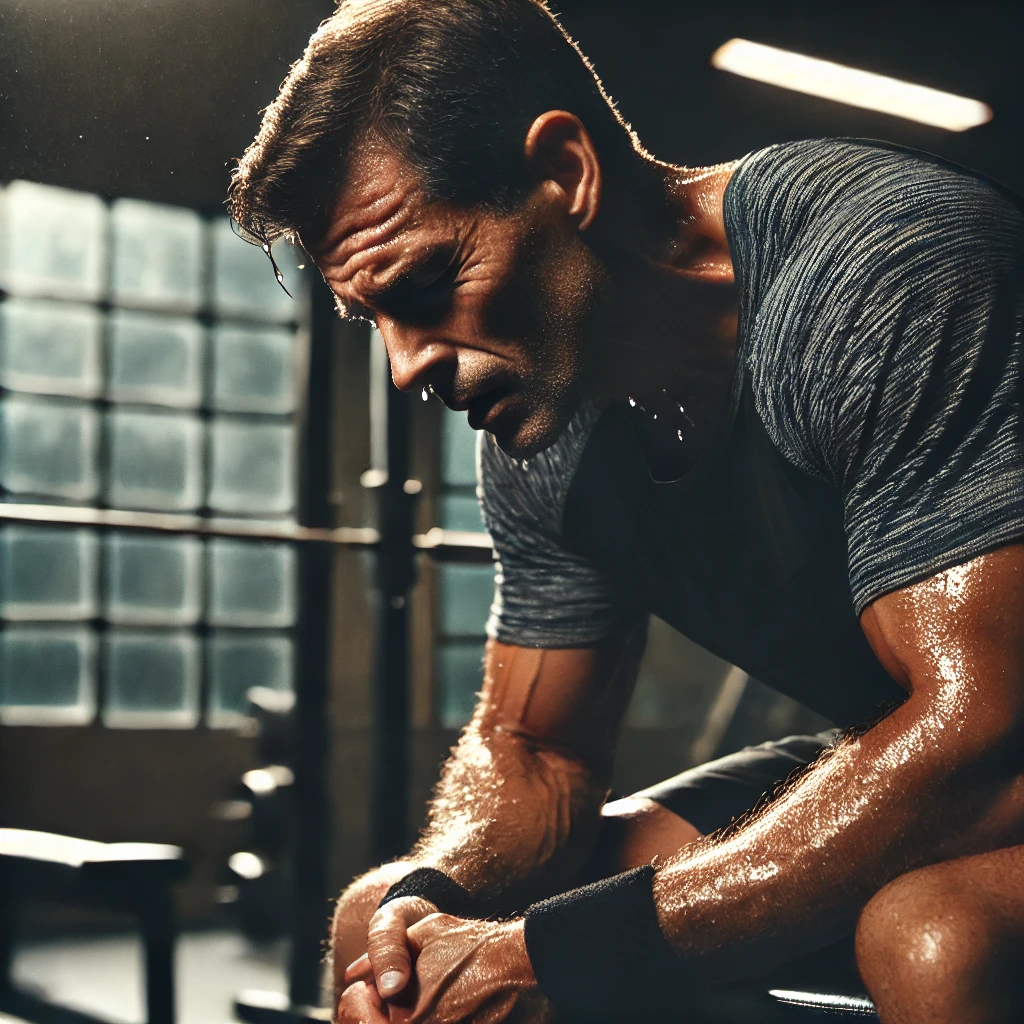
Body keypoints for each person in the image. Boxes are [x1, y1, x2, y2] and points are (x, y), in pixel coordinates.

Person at [228, 1, 1024, 1021]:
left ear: (567, 174)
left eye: (429, 282)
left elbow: (981, 732)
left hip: (983, 743)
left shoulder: (885, 275)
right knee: (390, 930)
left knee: (932, 937)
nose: (405, 366)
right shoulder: (543, 418)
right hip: (940, 755)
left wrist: (547, 955)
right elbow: (537, 752)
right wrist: (437, 894)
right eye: (371, 317)